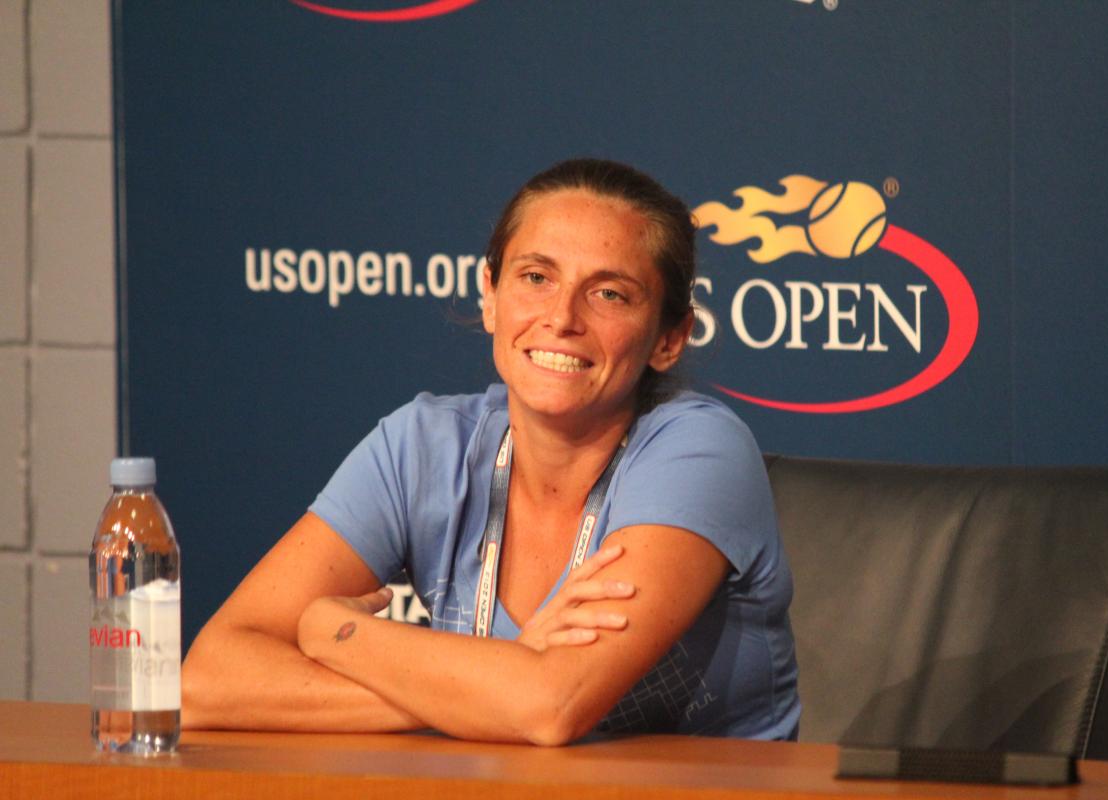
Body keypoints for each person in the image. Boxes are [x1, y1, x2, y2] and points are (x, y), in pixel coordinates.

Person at [182, 158, 800, 744]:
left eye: (609, 294)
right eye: (536, 278)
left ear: (670, 338)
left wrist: (333, 631)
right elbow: (206, 682)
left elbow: (549, 707)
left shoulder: (699, 451)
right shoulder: (422, 446)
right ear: (490, 294)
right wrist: (488, 684)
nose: (561, 317)